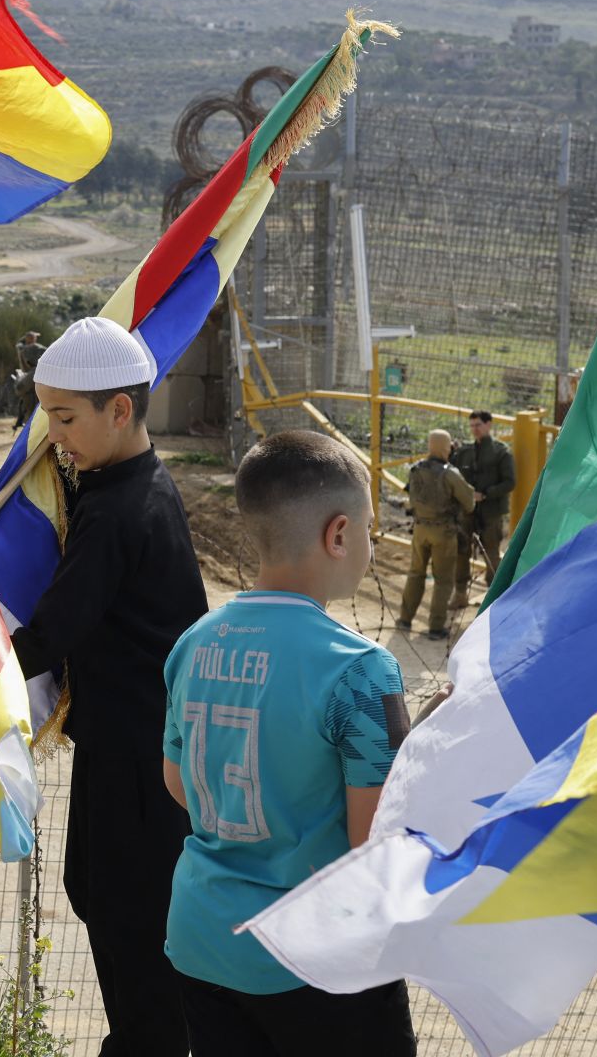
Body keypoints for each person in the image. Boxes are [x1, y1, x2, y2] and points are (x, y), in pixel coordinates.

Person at [163, 430, 417, 1057]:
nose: (369, 544)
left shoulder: (194, 642)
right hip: (317, 957)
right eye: (367, 529)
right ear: (338, 534)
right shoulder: (362, 669)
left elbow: (180, 783)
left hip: (205, 938)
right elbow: (374, 840)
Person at [11, 316, 207, 1056]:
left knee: (130, 923)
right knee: (97, 896)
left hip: (139, 762)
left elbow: (52, 631)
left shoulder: (121, 509)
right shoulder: (124, 483)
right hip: (127, 749)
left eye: (64, 418)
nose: (52, 437)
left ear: (118, 410)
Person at [395, 429, 475, 641]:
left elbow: (412, 500)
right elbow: (469, 503)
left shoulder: (416, 470)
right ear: (444, 447)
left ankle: (405, 618)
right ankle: (436, 627)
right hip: (443, 532)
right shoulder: (450, 473)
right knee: (443, 580)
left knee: (415, 573)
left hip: (420, 529)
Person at [450, 409, 515, 610]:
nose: (474, 430)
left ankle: (493, 597)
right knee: (462, 551)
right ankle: (460, 593)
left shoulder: (501, 451)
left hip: (491, 511)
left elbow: (510, 482)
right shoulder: (465, 452)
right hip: (467, 511)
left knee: (491, 553)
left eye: (478, 425)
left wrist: (485, 494)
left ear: (489, 425)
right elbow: (453, 472)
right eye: (471, 426)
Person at [12, 330, 46, 431]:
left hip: (34, 411)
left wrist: (19, 379)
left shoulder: (34, 373)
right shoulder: (42, 370)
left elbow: (19, 389)